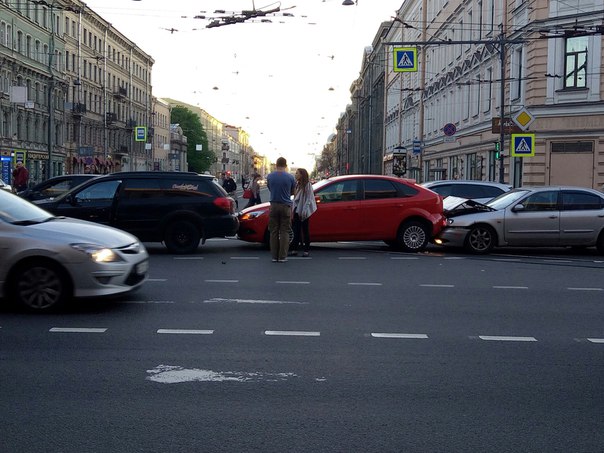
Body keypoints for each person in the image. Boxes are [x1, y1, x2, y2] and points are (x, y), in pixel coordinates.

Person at [266, 157, 295, 263]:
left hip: (273, 205)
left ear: (276, 165)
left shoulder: (270, 176)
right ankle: (282, 257)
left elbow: (270, 188)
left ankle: (274, 256)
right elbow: (293, 191)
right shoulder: (290, 177)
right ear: (285, 165)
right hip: (285, 206)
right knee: (285, 232)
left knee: (273, 231)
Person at [289, 168, 317, 257]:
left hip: (304, 211)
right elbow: (295, 198)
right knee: (296, 230)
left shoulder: (307, 185)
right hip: (297, 210)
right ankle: (295, 249)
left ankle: (306, 250)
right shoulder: (297, 184)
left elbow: (309, 199)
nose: (295, 175)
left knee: (305, 230)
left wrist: (304, 210)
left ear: (302, 175)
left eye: (297, 173)